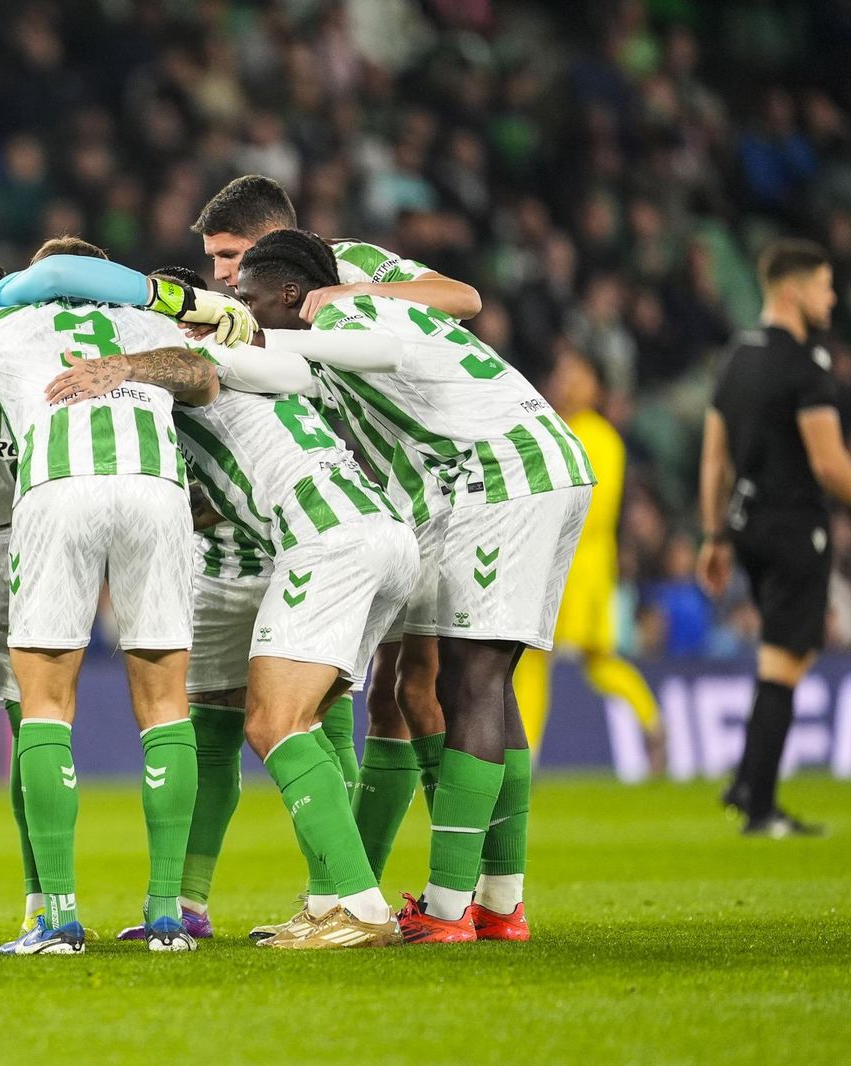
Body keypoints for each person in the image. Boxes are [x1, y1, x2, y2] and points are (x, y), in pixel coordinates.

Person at [0, 239, 256, 953]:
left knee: (45, 707)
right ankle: (165, 917)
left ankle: (55, 917)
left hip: (58, 492)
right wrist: (131, 366)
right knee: (164, 705)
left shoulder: (9, 318)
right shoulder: (147, 321)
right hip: (157, 493)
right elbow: (203, 378)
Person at [232, 229, 594, 944]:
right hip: (513, 468)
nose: (237, 304)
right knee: (474, 682)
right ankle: (499, 902)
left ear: (290, 291)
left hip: (504, 472)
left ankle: (449, 910)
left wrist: (262, 339)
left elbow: (388, 345)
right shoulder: (336, 316)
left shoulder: (344, 310)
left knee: (471, 680)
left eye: (246, 295)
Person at [43, 318, 419, 949]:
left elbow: (195, 367)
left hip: (326, 540)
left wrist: (122, 366)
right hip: (377, 534)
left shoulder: (198, 357)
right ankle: (329, 903)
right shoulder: (260, 368)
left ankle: (361, 907)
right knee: (304, 720)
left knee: (275, 723)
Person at [177, 175, 486, 930]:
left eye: (231, 257)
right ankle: (346, 895)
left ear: (276, 255)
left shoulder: (345, 268)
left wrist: (345, 298)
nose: (221, 275)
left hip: (398, 503)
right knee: (369, 701)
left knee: (403, 696)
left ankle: (393, 897)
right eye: (214, 260)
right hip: (350, 515)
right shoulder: (250, 320)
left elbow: (462, 299)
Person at [698, 239, 845, 837]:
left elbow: (714, 459)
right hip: (794, 527)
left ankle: (748, 781)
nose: (831, 298)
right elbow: (829, 464)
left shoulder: (736, 357)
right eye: (824, 286)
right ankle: (758, 804)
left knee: (786, 654)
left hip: (747, 526)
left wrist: (714, 535)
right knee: (785, 660)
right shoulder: (805, 365)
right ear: (793, 290)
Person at [513, 349, 663, 764]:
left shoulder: (598, 437)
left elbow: (593, 509)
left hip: (578, 569)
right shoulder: (557, 428)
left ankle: (526, 755)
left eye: (574, 375)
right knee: (581, 661)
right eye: (561, 374)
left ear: (595, 387)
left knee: (538, 656)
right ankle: (651, 722)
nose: (564, 383)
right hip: (569, 566)